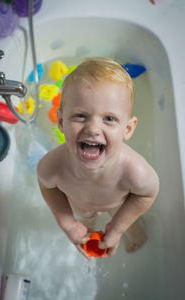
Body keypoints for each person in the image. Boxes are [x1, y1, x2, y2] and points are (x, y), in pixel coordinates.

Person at [37, 57, 159, 260]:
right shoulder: (52, 166)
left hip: (117, 204)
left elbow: (147, 194)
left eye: (109, 118)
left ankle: (131, 231)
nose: (93, 129)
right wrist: (67, 223)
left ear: (127, 129)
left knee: (128, 222)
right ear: (60, 121)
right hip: (79, 204)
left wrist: (118, 228)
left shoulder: (134, 171)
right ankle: (85, 227)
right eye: (80, 116)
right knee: (84, 224)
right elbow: (47, 187)